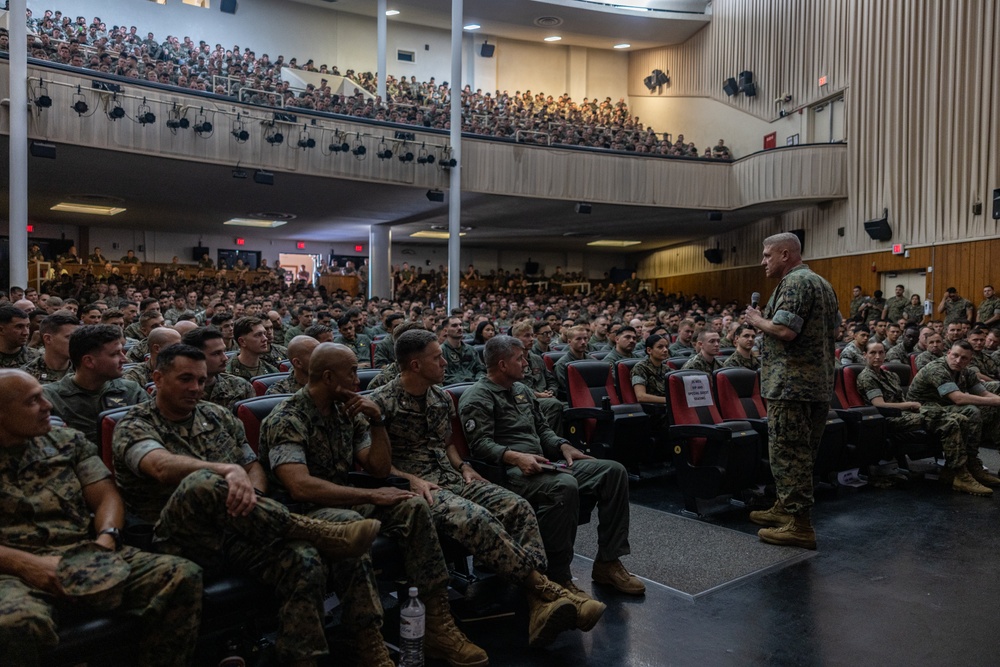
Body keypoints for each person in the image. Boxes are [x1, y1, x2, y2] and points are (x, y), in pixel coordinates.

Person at [112, 344, 386, 667]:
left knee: (304, 558)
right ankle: (315, 530)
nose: (196, 388)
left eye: (201, 380)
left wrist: (252, 493)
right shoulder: (134, 424)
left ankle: (302, 659)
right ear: (157, 377)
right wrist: (227, 471)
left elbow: (252, 464)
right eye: (186, 379)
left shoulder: (216, 415)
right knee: (204, 481)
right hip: (179, 539)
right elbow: (159, 466)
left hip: (237, 529)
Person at [258, 342, 489, 667]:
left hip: (344, 499)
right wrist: (370, 495)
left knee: (413, 507)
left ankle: (437, 620)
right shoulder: (288, 417)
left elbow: (378, 468)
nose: (358, 379)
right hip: (303, 512)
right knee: (354, 526)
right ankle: (368, 641)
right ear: (328, 376)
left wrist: (378, 420)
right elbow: (299, 486)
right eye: (351, 372)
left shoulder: (345, 411)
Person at [370, 330, 605, 647]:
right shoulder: (380, 402)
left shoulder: (440, 397)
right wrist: (409, 478)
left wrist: (464, 466)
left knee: (516, 507)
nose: (444, 362)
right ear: (414, 364)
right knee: (476, 518)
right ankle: (543, 591)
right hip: (418, 485)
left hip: (453, 476)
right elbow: (374, 463)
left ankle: (539, 602)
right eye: (437, 357)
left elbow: (447, 443)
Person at [0, 370, 203, 667]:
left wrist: (107, 539)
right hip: (10, 570)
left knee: (181, 576)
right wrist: (25, 564)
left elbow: (106, 495)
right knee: (15, 624)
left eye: (44, 395)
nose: (48, 406)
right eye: (33, 401)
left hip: (83, 551)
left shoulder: (66, 441)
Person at [459, 336, 644, 596]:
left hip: (542, 463)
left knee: (613, 471)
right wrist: (516, 457)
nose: (526, 362)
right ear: (502, 364)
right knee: (564, 485)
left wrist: (563, 446)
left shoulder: (521, 390)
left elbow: (543, 430)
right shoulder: (477, 396)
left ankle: (608, 562)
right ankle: (557, 574)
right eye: (519, 358)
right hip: (508, 472)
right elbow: (480, 445)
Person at [743, 232, 839, 550]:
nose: (763, 261)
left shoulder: (796, 282)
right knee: (803, 454)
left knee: (788, 455)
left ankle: (799, 525)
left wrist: (757, 320)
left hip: (791, 385)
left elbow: (785, 330)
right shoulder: (822, 283)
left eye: (767, 255)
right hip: (817, 383)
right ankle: (784, 508)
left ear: (786, 254)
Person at [906, 341, 1000, 495]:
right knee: (972, 410)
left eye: (964, 358)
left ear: (969, 361)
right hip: (922, 408)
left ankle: (972, 463)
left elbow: (983, 393)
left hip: (943, 407)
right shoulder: (936, 368)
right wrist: (996, 400)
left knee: (989, 408)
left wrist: (996, 400)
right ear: (948, 353)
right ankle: (960, 472)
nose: (958, 361)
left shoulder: (967, 372)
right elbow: (958, 399)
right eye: (955, 355)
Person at [43, 324, 149, 444]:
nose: (124, 359)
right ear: (89, 361)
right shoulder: (49, 398)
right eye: (115, 354)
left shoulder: (132, 391)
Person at [180, 326, 254, 412]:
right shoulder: (180, 392)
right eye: (216, 354)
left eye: (224, 351)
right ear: (194, 357)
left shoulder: (241, 386)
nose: (225, 358)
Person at [19, 311, 78, 384]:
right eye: (69, 337)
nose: (76, 342)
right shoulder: (25, 375)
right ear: (48, 339)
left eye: (78, 337)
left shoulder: (83, 371)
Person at [441, 316, 486, 385]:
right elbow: (441, 376)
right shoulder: (441, 351)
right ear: (445, 331)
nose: (459, 328)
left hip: (474, 386)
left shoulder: (471, 349)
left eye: (460, 325)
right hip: (452, 389)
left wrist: (477, 382)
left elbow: (481, 370)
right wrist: (464, 381)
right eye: (454, 326)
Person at [553, 325, 593, 401]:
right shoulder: (561, 365)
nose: (583, 342)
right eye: (578, 339)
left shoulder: (592, 361)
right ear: (569, 342)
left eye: (585, 338)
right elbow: (568, 389)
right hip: (571, 401)